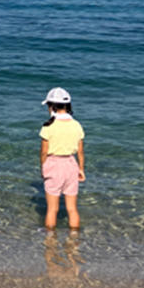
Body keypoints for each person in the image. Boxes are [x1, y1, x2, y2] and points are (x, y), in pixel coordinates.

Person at [39, 87, 85, 230]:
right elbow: (81, 152)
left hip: (54, 164)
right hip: (71, 164)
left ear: (51, 106)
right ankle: (74, 239)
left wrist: (43, 167)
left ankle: (50, 240)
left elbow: (43, 152)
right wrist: (81, 169)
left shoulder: (48, 126)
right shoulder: (77, 125)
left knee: (52, 209)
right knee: (72, 208)